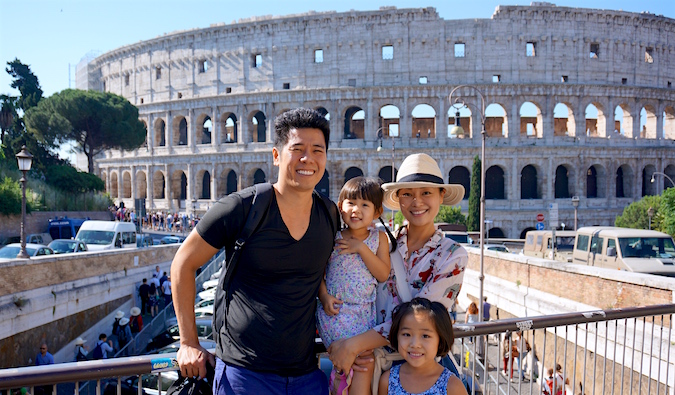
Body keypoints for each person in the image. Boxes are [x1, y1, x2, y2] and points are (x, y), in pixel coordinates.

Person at [173, 108, 337, 394]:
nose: (307, 158)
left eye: (317, 150)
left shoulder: (329, 214)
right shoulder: (240, 208)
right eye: (297, 149)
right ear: (276, 155)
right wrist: (188, 342)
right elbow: (183, 264)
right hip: (243, 374)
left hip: (306, 374)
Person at [327, 153, 468, 392]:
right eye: (407, 194)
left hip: (416, 367)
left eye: (426, 192)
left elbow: (422, 319)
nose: (417, 202)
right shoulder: (379, 242)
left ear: (441, 196)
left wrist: (353, 345)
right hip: (366, 360)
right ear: (398, 199)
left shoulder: (453, 255)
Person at [316, 177, 391, 393]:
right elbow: (318, 273)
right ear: (341, 208)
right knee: (363, 360)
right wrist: (324, 296)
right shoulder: (333, 237)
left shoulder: (379, 238)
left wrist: (361, 248)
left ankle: (340, 384)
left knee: (361, 363)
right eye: (351, 203)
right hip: (335, 312)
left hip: (362, 313)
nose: (356, 209)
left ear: (377, 212)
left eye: (365, 205)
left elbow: (383, 274)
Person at [377, 298, 467, 395]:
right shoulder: (388, 380)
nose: (415, 344)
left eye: (425, 336)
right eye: (407, 334)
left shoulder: (453, 386)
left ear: (440, 340)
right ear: (396, 335)